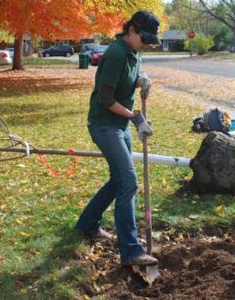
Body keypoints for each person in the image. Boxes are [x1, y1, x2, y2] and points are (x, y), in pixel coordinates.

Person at [76, 10, 161, 266]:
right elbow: (105, 99)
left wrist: (141, 80)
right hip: (104, 125)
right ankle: (131, 251)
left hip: (120, 124)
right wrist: (136, 118)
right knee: (128, 183)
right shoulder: (114, 54)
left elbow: (128, 79)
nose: (146, 45)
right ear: (132, 30)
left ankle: (87, 224)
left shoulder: (135, 51)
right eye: (144, 39)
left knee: (118, 180)